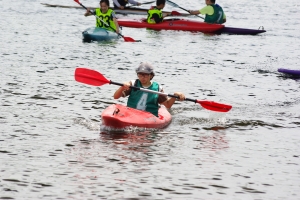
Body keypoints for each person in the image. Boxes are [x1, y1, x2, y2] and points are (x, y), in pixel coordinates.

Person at [113, 62, 185, 117]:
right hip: (132, 114)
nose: (142, 77)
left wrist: (175, 96)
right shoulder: (133, 83)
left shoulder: (157, 88)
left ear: (151, 75)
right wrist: (122, 87)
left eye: (145, 75)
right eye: (140, 75)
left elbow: (168, 105)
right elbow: (115, 97)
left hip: (150, 116)